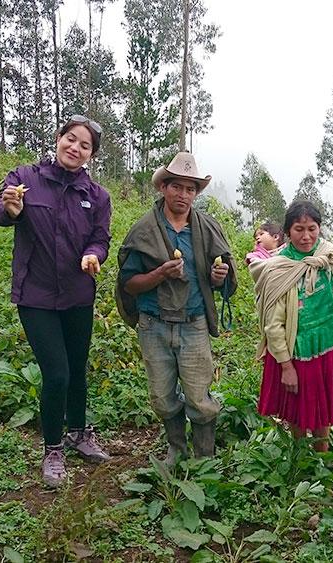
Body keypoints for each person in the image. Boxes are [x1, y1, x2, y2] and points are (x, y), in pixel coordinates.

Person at [0, 114, 112, 488]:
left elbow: (101, 239)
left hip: (77, 294)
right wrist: (9, 210)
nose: (75, 147)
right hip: (36, 295)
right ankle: (53, 448)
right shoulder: (25, 178)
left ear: (91, 154)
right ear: (58, 139)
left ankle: (78, 432)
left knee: (77, 367)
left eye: (84, 144)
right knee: (56, 372)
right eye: (70, 139)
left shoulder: (97, 196)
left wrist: (93, 255)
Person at [115, 152, 237, 465]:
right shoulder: (143, 230)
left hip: (193, 322)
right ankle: (177, 449)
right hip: (153, 324)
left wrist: (217, 276)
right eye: (177, 187)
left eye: (190, 189)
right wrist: (160, 274)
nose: (183, 195)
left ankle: (204, 457)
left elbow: (225, 280)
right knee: (162, 395)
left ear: (196, 193)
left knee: (199, 396)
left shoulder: (208, 228)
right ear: (164, 188)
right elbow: (128, 283)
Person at [250, 200, 333, 451]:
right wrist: (286, 366)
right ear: (287, 232)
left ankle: (321, 457)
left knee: (324, 407)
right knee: (297, 409)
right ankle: (300, 457)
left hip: (329, 341)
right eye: (299, 229)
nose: (306, 236)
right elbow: (273, 324)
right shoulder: (279, 268)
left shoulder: (330, 256)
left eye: (312, 228)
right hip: (294, 349)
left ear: (319, 228)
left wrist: (325, 316)